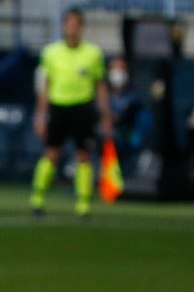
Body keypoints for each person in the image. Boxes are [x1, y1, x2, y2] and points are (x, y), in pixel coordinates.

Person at [30, 8, 114, 217]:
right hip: (59, 107)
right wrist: (41, 115)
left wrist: (105, 115)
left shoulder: (93, 54)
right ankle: (37, 198)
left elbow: (100, 86)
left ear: (82, 27)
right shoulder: (51, 53)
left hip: (83, 108)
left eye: (76, 24)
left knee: (83, 155)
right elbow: (45, 86)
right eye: (69, 24)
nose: (72, 28)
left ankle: (83, 203)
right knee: (51, 153)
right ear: (63, 26)